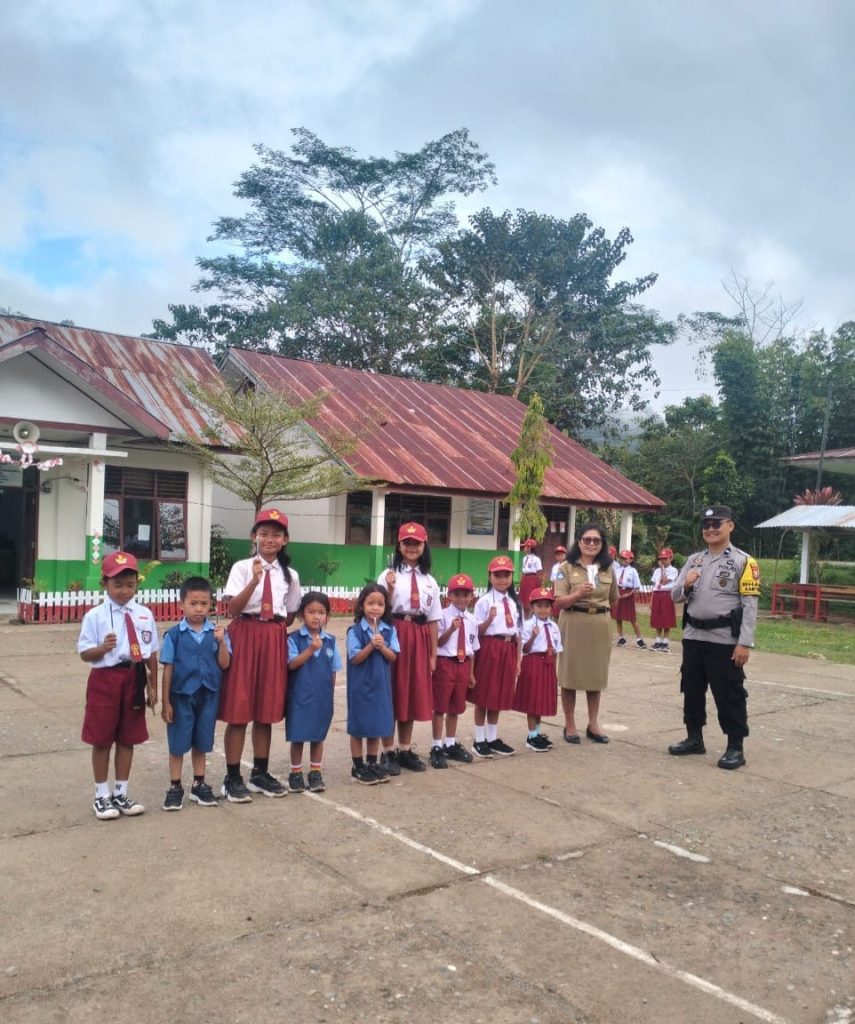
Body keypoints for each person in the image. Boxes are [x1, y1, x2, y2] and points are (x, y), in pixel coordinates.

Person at [219, 508, 302, 802]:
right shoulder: (242, 568)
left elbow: (290, 614)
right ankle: (232, 777)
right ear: (254, 536)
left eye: (276, 534)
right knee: (239, 710)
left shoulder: (290, 575)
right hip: (245, 633)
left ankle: (260, 773)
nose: (269, 539)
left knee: (266, 710)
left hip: (273, 637)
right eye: (263, 533)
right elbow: (233, 609)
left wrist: (272, 631)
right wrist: (254, 581)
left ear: (285, 540)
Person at [668, 505, 760, 770]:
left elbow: (750, 606)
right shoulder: (694, 560)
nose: (710, 529)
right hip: (694, 636)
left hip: (724, 640)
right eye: (706, 525)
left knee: (729, 693)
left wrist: (744, 642)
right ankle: (694, 738)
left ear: (730, 525)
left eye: (717, 524)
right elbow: (674, 596)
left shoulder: (744, 561)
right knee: (692, 689)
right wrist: (685, 585)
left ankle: (735, 746)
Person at [77, 552, 158, 820]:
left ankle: (121, 792)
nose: (124, 591)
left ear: (137, 584)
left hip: (133, 677)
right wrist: (102, 648)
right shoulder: (95, 616)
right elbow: (84, 654)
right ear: (104, 584)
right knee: (101, 738)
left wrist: (153, 686)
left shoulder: (144, 614)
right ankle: (101, 795)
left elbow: (151, 653)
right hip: (105, 679)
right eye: (117, 585)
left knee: (128, 736)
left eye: (130, 585)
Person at [160, 577, 231, 811]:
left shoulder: (217, 633)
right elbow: (168, 669)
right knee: (178, 742)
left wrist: (221, 643)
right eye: (193, 603)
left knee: (202, 740)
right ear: (182, 604)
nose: (199, 608)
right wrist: (165, 701)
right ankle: (175, 786)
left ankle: (199, 784)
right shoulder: (174, 635)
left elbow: (224, 664)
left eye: (204, 603)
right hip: (181, 696)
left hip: (208, 694)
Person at [379, 522, 441, 773]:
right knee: (393, 691)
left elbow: (434, 619)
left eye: (416, 543)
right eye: (407, 543)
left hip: (419, 634)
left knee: (411, 693)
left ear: (424, 545)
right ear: (399, 545)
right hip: (394, 631)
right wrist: (390, 589)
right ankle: (387, 751)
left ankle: (404, 749)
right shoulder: (389, 574)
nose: (411, 548)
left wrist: (433, 653)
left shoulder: (430, 581)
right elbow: (378, 608)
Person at [553, 523, 618, 744]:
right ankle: (570, 723)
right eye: (587, 540)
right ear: (578, 542)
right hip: (574, 622)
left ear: (602, 544)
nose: (591, 544)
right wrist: (578, 593)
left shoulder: (608, 568)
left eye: (596, 540)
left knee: (595, 676)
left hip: (599, 624)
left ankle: (593, 723)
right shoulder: (566, 568)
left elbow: (614, 598)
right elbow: (559, 601)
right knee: (569, 675)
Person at [285, 592, 342, 793]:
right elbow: (292, 664)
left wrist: (330, 693)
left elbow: (333, 670)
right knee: (298, 735)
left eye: (321, 612)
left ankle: (315, 772)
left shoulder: (331, 642)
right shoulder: (293, 639)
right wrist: (310, 650)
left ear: (327, 616)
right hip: (299, 696)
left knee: (318, 736)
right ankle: (296, 772)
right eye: (311, 612)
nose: (316, 616)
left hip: (321, 697)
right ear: (301, 614)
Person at [470, 555, 521, 758]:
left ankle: (492, 738)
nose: (502, 579)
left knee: (499, 694)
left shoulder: (513, 602)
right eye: (497, 575)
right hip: (490, 647)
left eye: (506, 575)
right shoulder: (484, 602)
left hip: (508, 648)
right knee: (484, 694)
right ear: (490, 577)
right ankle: (479, 739)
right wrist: (489, 619)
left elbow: (517, 633)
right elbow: (477, 632)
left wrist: (518, 660)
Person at [347, 584, 399, 785]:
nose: (375, 608)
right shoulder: (355, 631)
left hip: (380, 685)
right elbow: (355, 658)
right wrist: (370, 646)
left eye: (380, 604)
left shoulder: (389, 630)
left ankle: (372, 762)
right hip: (361, 686)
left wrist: (382, 646)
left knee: (375, 724)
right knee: (359, 726)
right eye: (371, 603)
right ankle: (358, 766)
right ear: (362, 605)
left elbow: (393, 656)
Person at [429, 573, 479, 768]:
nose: (461, 599)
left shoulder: (472, 619)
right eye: (457, 594)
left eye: (465, 594)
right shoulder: (441, 616)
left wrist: (472, 673)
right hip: (445, 662)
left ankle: (450, 743)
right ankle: (436, 746)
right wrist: (450, 629)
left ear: (471, 597)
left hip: (463, 664)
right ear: (449, 596)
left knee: (456, 707)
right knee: (440, 707)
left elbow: (472, 649)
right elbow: (438, 643)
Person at [513, 587, 562, 751]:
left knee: (541, 702)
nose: (543, 610)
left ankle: (538, 733)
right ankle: (531, 736)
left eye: (547, 606)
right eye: (539, 606)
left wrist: (553, 671)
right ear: (532, 607)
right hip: (532, 664)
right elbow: (525, 649)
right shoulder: (527, 626)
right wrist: (533, 636)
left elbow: (556, 650)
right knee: (532, 702)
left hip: (547, 665)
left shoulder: (554, 627)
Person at [612, 549, 646, 648]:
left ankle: (639, 639)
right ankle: (621, 638)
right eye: (622, 558)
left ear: (631, 559)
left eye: (626, 558)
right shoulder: (617, 570)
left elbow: (637, 586)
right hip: (618, 593)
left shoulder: (633, 571)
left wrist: (629, 594)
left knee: (632, 618)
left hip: (628, 593)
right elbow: (614, 583)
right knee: (617, 617)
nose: (623, 560)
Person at [649, 548, 678, 652]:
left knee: (666, 618)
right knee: (658, 618)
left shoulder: (673, 570)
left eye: (665, 558)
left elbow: (664, 581)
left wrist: (662, 569)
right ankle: (657, 641)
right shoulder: (656, 571)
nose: (663, 561)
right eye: (661, 559)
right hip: (657, 594)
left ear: (671, 558)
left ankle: (665, 642)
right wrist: (651, 600)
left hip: (667, 594)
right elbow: (655, 586)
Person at [519, 538, 543, 610]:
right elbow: (523, 570)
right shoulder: (524, 558)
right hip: (525, 578)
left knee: (531, 597)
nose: (524, 548)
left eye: (526, 547)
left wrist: (539, 583)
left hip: (532, 578)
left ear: (530, 548)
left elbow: (539, 572)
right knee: (524, 598)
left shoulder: (536, 559)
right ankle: (525, 615)